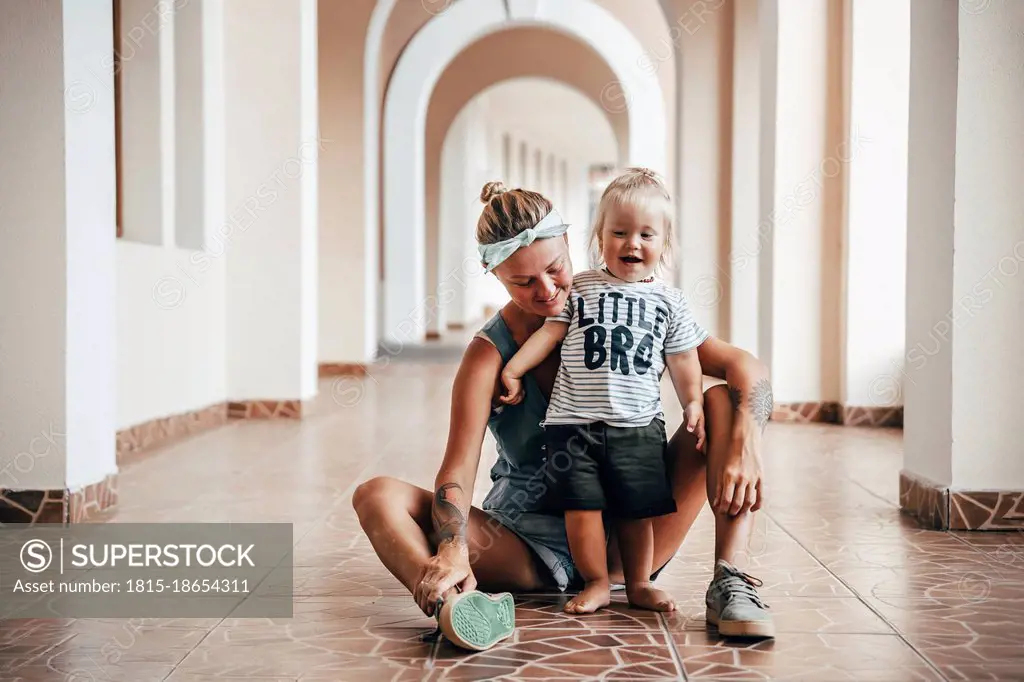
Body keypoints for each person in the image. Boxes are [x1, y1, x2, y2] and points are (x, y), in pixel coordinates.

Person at [352, 176, 775, 642]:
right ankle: (454, 605)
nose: (548, 290)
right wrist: (453, 547)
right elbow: (457, 468)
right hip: (524, 546)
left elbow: (747, 369)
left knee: (724, 401)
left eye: (556, 267)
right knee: (376, 494)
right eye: (523, 281)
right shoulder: (489, 354)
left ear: (573, 243)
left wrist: (748, 443)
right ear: (495, 276)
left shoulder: (630, 308)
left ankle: (731, 579)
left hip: (632, 536)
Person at [497, 167, 706, 615]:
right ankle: (593, 582)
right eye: (620, 232)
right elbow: (550, 335)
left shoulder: (671, 302)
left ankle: (637, 583)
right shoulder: (582, 288)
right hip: (573, 425)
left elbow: (684, 358)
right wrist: (513, 369)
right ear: (600, 236)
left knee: (636, 511)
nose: (633, 243)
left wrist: (692, 401)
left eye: (646, 235)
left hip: (637, 425)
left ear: (664, 244)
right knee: (582, 510)